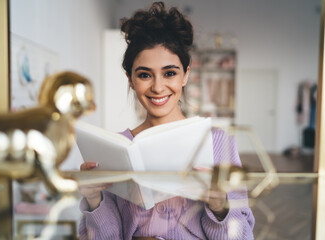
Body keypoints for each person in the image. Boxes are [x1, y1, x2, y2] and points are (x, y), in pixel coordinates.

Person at [78, 2, 255, 239]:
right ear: (131, 79)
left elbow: (241, 236)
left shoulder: (217, 143)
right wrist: (93, 200)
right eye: (144, 75)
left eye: (169, 73)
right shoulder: (115, 149)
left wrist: (219, 205)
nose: (158, 87)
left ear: (186, 74)